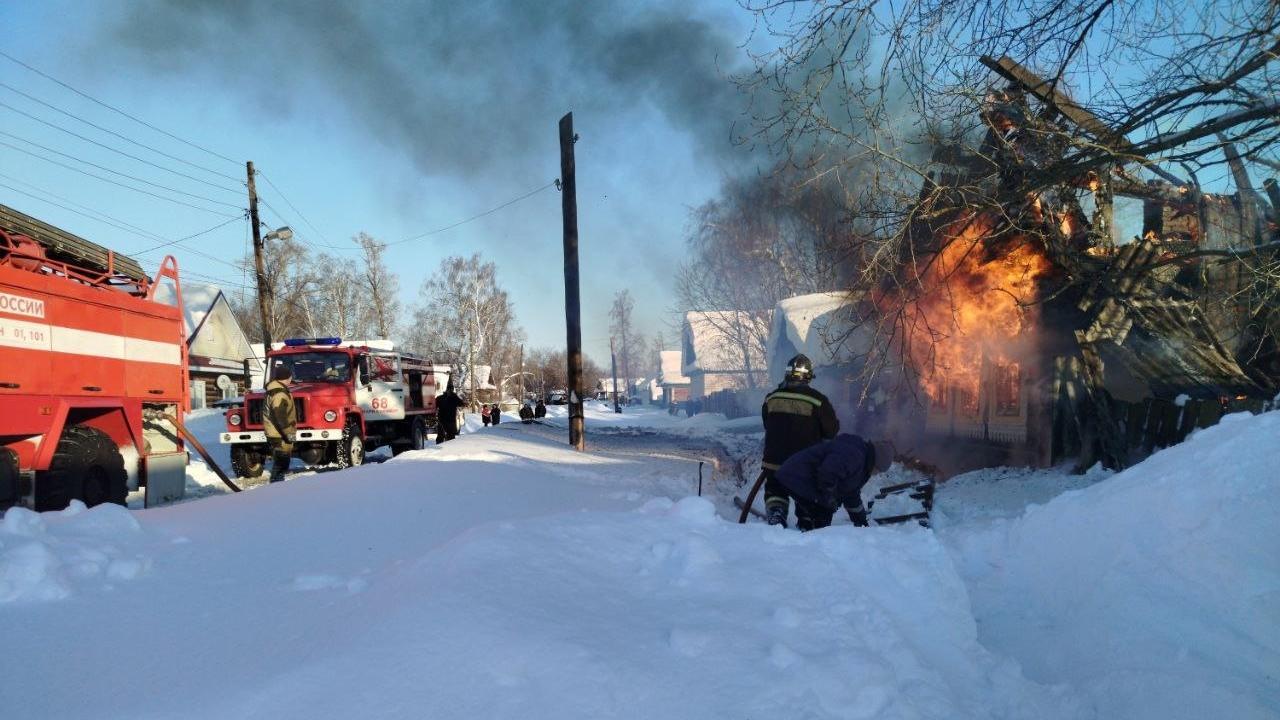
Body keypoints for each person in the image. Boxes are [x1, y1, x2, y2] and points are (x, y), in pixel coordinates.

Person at [761, 354, 838, 527]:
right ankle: (806, 520)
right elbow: (831, 432)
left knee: (775, 490)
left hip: (774, 461)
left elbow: (767, 424)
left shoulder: (771, 398)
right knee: (805, 491)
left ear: (787, 374)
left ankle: (776, 514)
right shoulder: (818, 401)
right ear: (808, 376)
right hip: (804, 463)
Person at [775, 434, 894, 530]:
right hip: (796, 476)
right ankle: (811, 539)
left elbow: (851, 495)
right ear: (876, 463)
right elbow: (828, 472)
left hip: (801, 478)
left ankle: (807, 528)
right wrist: (829, 497)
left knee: (823, 510)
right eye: (878, 471)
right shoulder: (854, 454)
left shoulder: (860, 461)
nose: (876, 474)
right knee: (823, 513)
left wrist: (861, 522)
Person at [263, 363, 297, 483]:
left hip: (276, 433)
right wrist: (289, 434)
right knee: (281, 464)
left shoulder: (275, 390)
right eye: (290, 377)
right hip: (279, 434)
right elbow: (280, 416)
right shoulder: (279, 394)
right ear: (288, 377)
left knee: (281, 462)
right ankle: (277, 486)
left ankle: (277, 484)